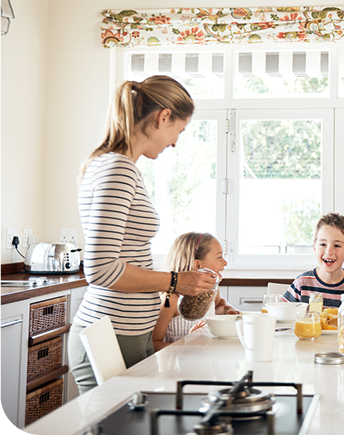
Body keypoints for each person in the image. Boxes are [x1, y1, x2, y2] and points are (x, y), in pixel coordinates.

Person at [68, 75, 216, 394]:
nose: (175, 141)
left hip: (127, 332)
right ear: (163, 117)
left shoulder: (117, 167)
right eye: (179, 130)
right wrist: (175, 281)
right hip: (112, 334)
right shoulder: (117, 169)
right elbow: (100, 269)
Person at [153, 232, 240, 351]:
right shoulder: (171, 300)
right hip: (176, 365)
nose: (225, 263)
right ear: (198, 265)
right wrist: (187, 343)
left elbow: (219, 304)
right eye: (219, 257)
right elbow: (153, 345)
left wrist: (229, 309)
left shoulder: (211, 291)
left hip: (202, 359)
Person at [283, 212, 344, 308]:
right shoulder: (302, 283)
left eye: (337, 245)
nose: (329, 252)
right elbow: (283, 316)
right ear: (315, 248)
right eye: (323, 244)